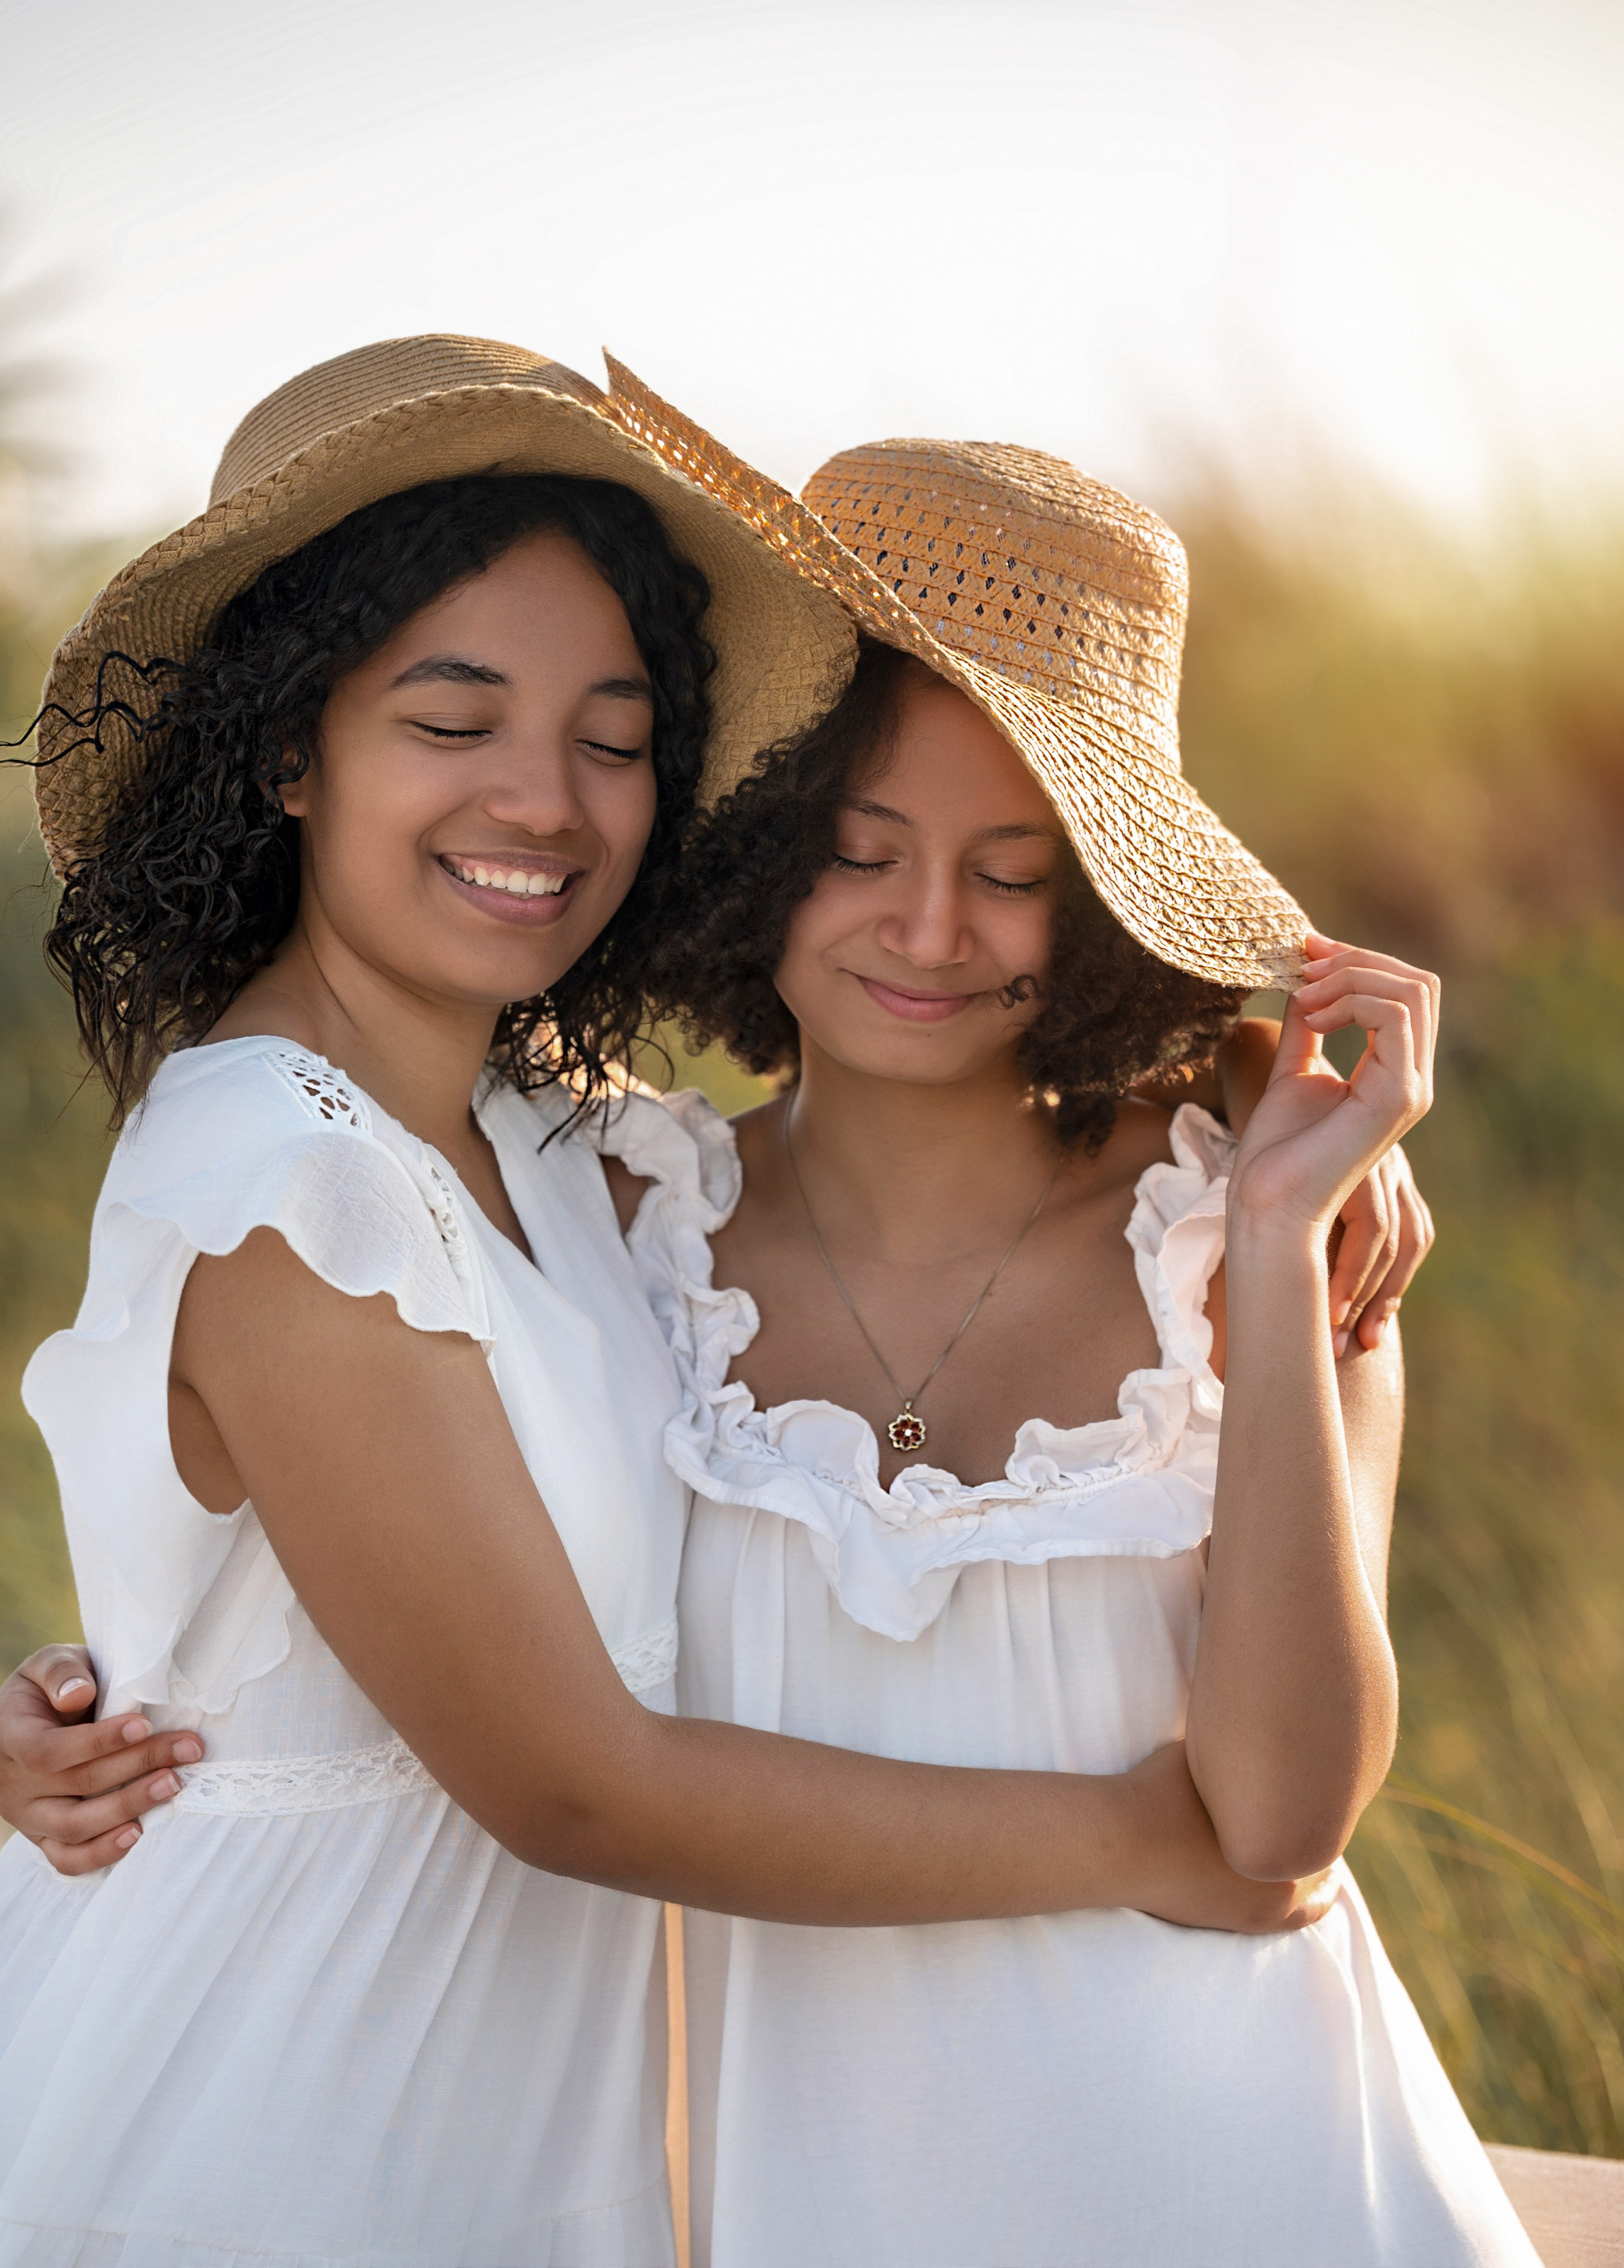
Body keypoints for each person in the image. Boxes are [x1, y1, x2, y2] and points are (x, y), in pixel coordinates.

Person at [0, 340, 1337, 2268]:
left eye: (614, 738)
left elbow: (399, 1532)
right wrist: (1141, 1839)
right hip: (275, 2108)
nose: (545, 800)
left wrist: (1229, 1094)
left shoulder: (555, 1142)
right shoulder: (287, 1180)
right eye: (454, 719)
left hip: (503, 2106)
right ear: (292, 746)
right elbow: (567, 1784)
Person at [588, 389, 1540, 2265]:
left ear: (1092, 900)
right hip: (802, 2196)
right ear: (757, 839)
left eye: (1013, 869)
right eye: (858, 850)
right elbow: (385, 1524)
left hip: (1252, 2185)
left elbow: (1276, 1820)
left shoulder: (1270, 1244)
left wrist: (1271, 1239)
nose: (929, 929)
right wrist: (93, 1692)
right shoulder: (615, 1225)